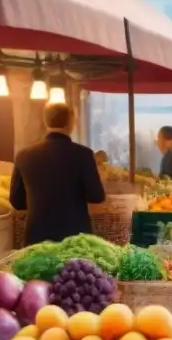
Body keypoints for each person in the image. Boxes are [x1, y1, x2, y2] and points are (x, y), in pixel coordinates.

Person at [10, 102, 105, 245]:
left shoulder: (24, 155)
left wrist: (41, 203)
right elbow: (97, 196)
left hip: (37, 237)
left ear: (45, 121)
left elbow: (16, 201)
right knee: (75, 268)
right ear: (71, 122)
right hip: (75, 237)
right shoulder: (83, 154)